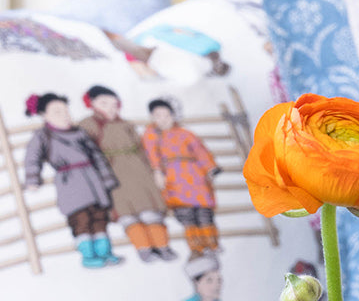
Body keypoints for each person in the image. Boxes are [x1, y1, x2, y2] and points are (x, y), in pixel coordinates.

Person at [23, 93, 124, 268]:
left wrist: (107, 179)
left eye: (65, 111)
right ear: (44, 115)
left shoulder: (80, 133)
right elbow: (32, 157)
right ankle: (88, 255)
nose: (64, 115)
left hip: (92, 180)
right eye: (57, 112)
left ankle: (105, 251)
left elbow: (97, 156)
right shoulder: (43, 135)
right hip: (70, 182)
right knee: (81, 219)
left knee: (99, 217)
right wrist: (33, 178)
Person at [79, 86, 174, 262]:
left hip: (139, 171)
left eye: (115, 104)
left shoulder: (126, 124)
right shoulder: (87, 125)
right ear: (91, 103)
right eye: (104, 103)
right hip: (112, 174)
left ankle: (162, 246)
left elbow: (141, 147)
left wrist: (154, 170)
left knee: (150, 210)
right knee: (127, 214)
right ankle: (144, 249)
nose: (110, 108)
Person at [142, 99, 219, 256]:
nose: (163, 119)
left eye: (166, 115)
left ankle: (212, 244)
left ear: (173, 115)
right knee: (186, 215)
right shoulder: (152, 135)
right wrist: (157, 171)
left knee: (204, 212)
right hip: (173, 178)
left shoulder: (185, 134)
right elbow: (152, 154)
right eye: (158, 116)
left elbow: (199, 150)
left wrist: (210, 167)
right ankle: (196, 247)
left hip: (195, 177)